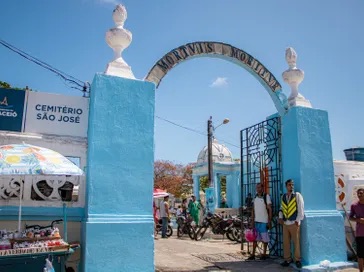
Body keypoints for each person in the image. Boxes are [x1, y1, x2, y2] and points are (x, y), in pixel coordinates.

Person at [278, 179, 304, 269]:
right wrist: (280, 217)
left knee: (296, 242)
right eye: (289, 185)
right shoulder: (283, 197)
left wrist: (298, 220)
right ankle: (287, 259)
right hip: (286, 223)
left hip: (294, 223)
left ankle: (297, 260)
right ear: (286, 186)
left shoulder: (297, 195)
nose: (291, 186)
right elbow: (281, 208)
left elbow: (301, 208)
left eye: (292, 184)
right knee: (286, 243)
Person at [247, 183, 272, 260]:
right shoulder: (255, 197)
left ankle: (264, 254)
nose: (258, 189)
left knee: (265, 239)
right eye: (257, 188)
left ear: (262, 188)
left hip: (264, 221)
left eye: (259, 187)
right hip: (256, 221)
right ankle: (253, 254)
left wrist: (269, 221)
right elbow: (253, 210)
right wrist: (252, 220)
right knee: (255, 239)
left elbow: (270, 209)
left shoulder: (266, 196)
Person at [349, 188, 364, 272]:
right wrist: (358, 220)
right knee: (360, 255)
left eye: (361, 193)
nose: (359, 195)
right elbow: (350, 217)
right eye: (358, 193)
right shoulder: (354, 205)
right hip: (360, 234)